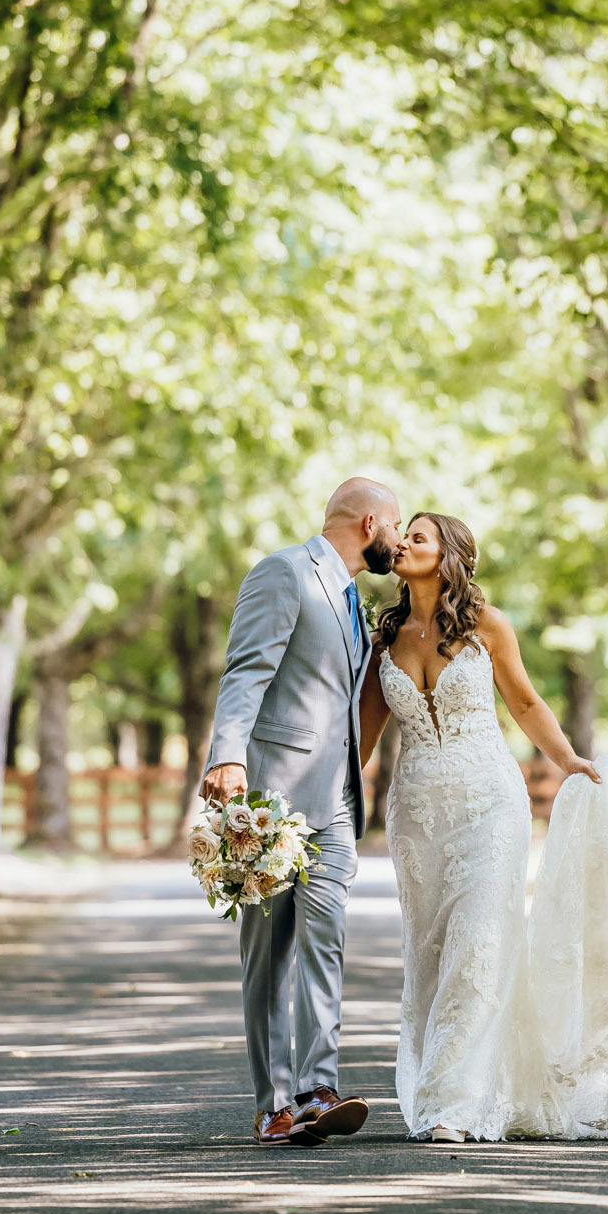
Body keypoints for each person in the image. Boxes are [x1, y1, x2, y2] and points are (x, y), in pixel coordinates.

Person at [362, 512, 608, 1142]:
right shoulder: (383, 637)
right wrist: (322, 802)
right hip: (416, 816)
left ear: (449, 557)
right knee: (432, 952)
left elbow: (523, 700)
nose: (404, 543)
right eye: (404, 535)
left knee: (480, 945)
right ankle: (466, 1084)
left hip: (490, 805)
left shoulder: (485, 625)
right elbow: (365, 736)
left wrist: (569, 760)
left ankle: (452, 1106)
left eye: (419, 536)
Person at [204, 477, 401, 1147]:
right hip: (274, 799)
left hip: (340, 803)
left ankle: (319, 1087)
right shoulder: (284, 571)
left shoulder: (355, 601)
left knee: (327, 938)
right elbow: (246, 670)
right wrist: (225, 754)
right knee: (269, 953)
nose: (399, 543)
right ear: (371, 522)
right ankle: (273, 1102)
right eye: (397, 529)